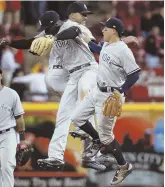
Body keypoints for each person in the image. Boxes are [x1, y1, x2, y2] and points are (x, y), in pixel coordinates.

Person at [71, 17, 141, 185]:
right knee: (77, 118)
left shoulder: (124, 51)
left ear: (114, 30)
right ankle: (96, 140)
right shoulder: (107, 44)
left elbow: (135, 74)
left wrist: (121, 90)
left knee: (106, 136)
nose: (103, 30)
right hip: (97, 90)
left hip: (111, 95)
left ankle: (124, 165)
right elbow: (95, 47)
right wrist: (79, 38)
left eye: (106, 28)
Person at [0, 68, 27, 187]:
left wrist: (22, 141)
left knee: (6, 166)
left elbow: (19, 119)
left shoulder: (11, 94)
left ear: (1, 76)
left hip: (7, 135)